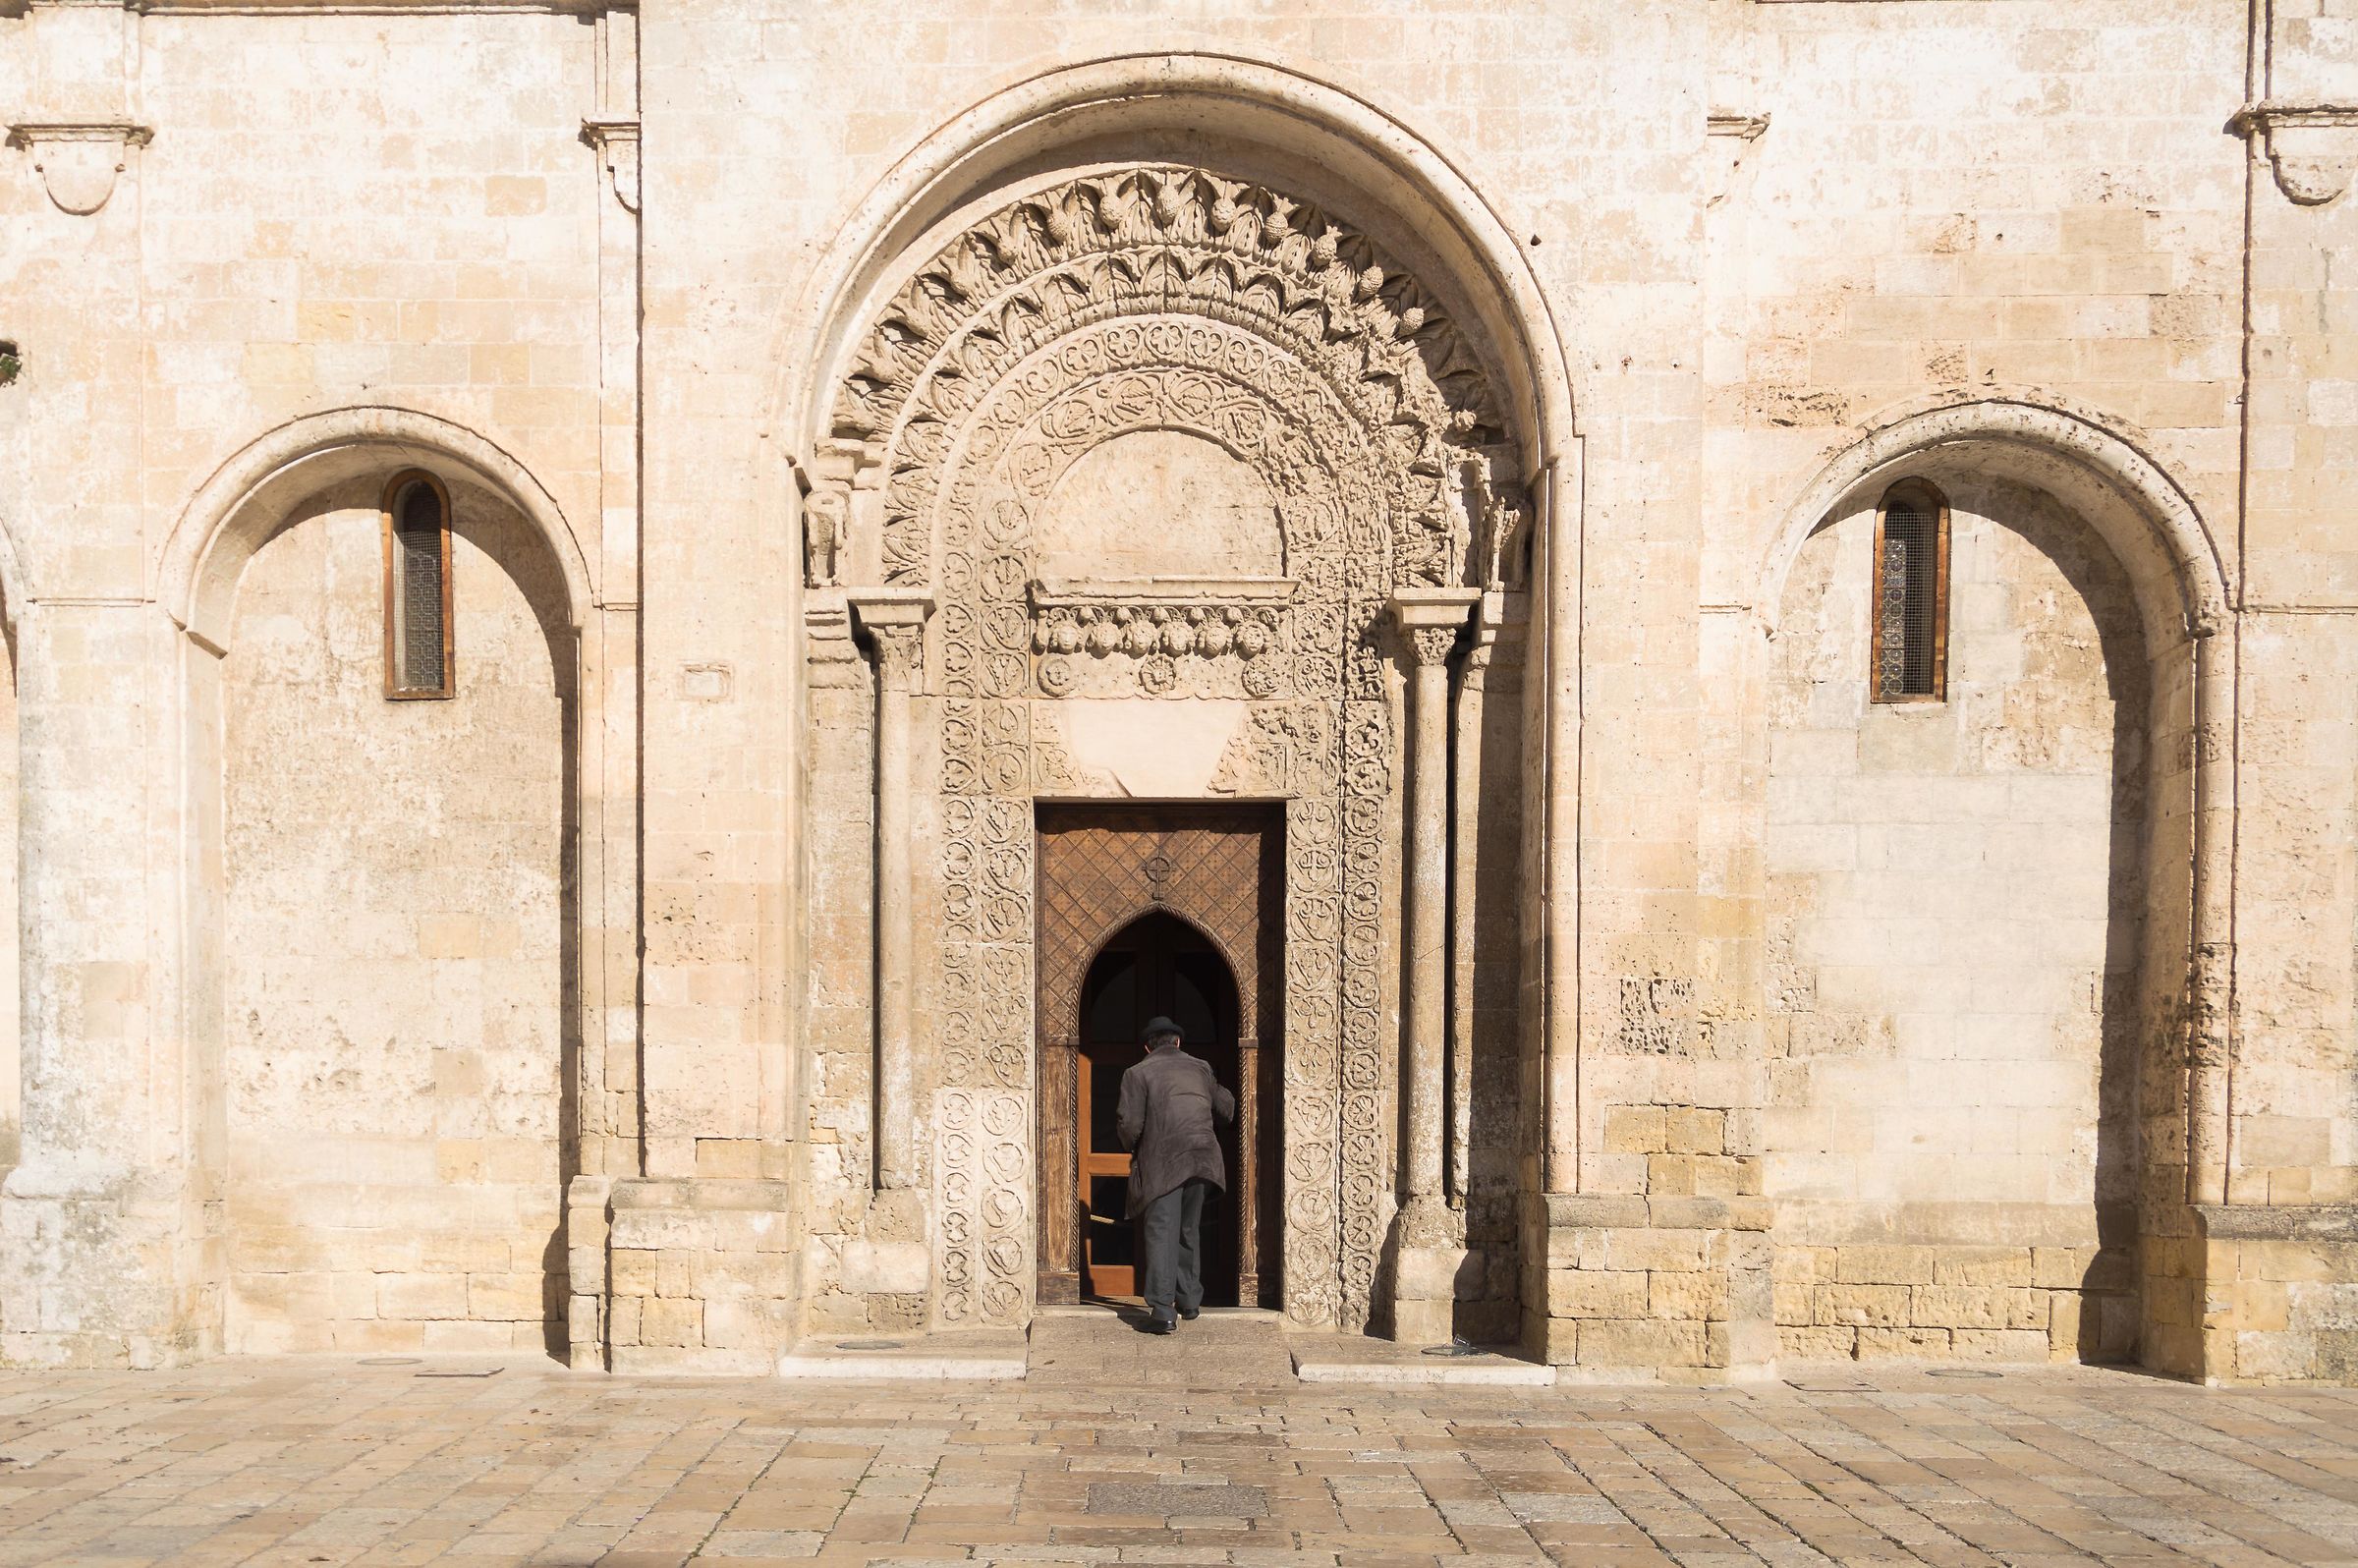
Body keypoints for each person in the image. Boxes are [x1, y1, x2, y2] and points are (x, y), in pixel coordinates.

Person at [1115, 1015, 1235, 1333]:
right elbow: (1228, 1107)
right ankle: (1190, 1302)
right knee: (1187, 1228)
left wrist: (1132, 1147)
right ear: (1178, 1042)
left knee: (1162, 1229)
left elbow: (1129, 1124)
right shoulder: (1200, 1067)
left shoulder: (1137, 1072)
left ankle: (1163, 1309)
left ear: (1147, 1046)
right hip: (1203, 1159)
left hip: (1164, 1161)